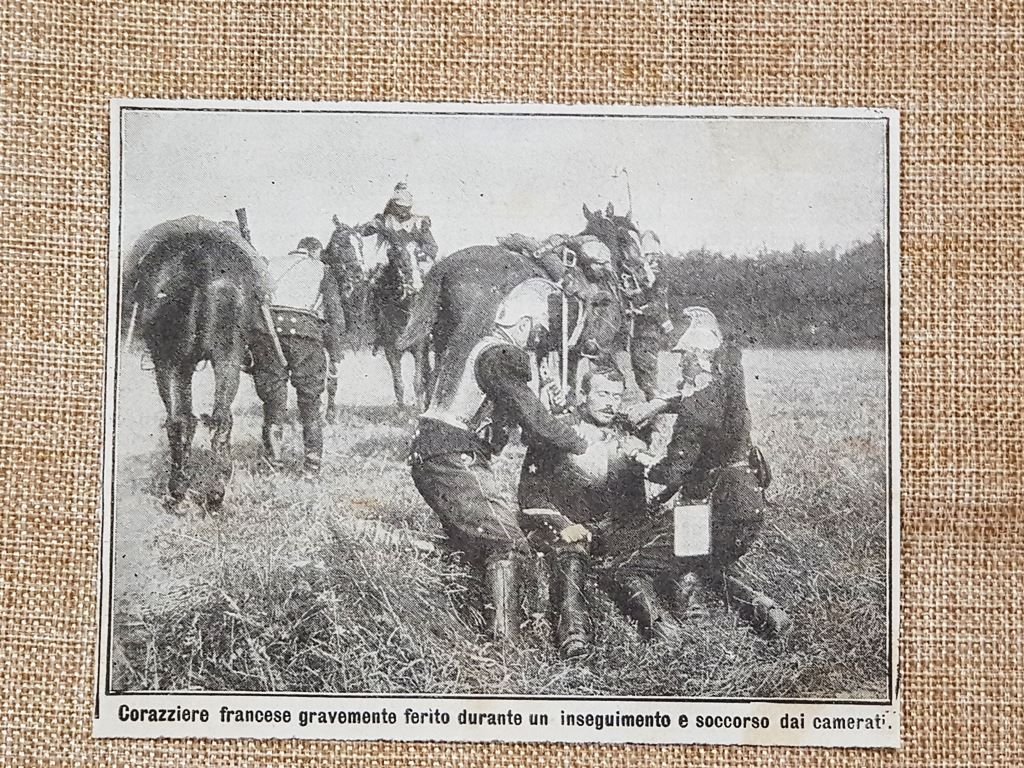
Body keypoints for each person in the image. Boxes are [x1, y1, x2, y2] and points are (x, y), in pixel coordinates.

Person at [409, 278, 590, 644]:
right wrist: (577, 440)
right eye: (536, 332)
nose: (536, 341)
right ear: (523, 324)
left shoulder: (481, 348)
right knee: (506, 541)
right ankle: (505, 644)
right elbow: (533, 420)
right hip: (453, 456)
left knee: (480, 540)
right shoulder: (503, 355)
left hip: (436, 454)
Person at [613, 306, 790, 638]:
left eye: (686, 358)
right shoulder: (730, 391)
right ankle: (765, 609)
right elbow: (703, 395)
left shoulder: (695, 412)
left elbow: (672, 472)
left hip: (712, 505)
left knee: (633, 568)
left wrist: (639, 457)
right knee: (703, 564)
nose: (682, 364)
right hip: (747, 506)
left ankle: (677, 629)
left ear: (699, 357)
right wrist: (664, 403)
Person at [518, 366, 649, 657]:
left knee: (636, 558)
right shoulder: (558, 429)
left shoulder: (625, 434)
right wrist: (562, 524)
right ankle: (573, 634)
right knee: (572, 553)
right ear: (583, 395)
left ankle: (660, 627)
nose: (610, 403)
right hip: (562, 525)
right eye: (602, 393)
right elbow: (529, 494)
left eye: (617, 396)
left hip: (606, 528)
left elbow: (634, 501)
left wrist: (624, 532)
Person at [249, 237, 344, 475]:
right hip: (306, 336)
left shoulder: (269, 263)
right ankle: (312, 467)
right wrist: (334, 353)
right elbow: (335, 316)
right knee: (310, 404)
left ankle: (273, 463)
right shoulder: (322, 269)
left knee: (274, 403)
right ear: (315, 251)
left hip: (268, 334)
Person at [621, 230, 674, 400]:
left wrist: (638, 309)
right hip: (639, 329)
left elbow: (658, 304)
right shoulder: (644, 273)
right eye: (648, 255)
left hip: (649, 328)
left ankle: (654, 405)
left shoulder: (658, 274)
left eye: (652, 255)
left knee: (646, 371)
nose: (650, 259)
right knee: (640, 370)